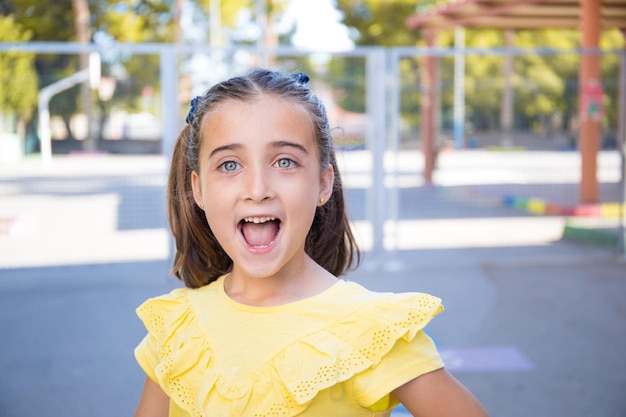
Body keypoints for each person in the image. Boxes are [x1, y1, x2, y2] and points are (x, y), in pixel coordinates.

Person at [133, 68, 489, 417]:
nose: (257, 190)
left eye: (284, 162)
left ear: (322, 184)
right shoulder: (178, 327)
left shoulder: (370, 330)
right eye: (229, 165)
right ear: (198, 189)